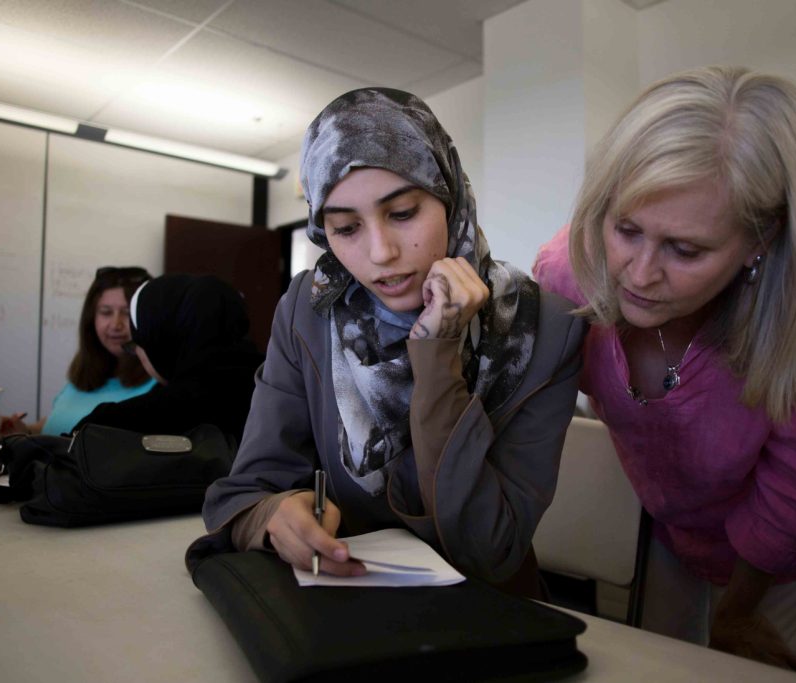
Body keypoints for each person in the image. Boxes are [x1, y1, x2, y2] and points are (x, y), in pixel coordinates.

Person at [188, 88, 585, 598]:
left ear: (450, 197)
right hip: (338, 608)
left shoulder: (543, 328)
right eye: (346, 227)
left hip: (487, 620)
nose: (380, 253)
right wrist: (273, 515)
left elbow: (489, 547)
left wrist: (438, 352)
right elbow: (246, 489)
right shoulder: (309, 312)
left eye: (402, 213)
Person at [532, 66, 796, 667]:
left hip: (773, 554)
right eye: (626, 229)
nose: (637, 274)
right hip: (664, 518)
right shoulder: (566, 274)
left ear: (759, 241)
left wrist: (739, 612)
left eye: (686, 250)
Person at [73, 273, 263, 441]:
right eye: (106, 312)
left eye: (137, 344)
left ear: (163, 342)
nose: (115, 325)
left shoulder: (111, 424)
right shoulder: (280, 394)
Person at [0, 266, 156, 437]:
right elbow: (57, 424)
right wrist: (26, 431)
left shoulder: (158, 384)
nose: (115, 324)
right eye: (106, 312)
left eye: (126, 313)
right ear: (91, 319)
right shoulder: (83, 377)